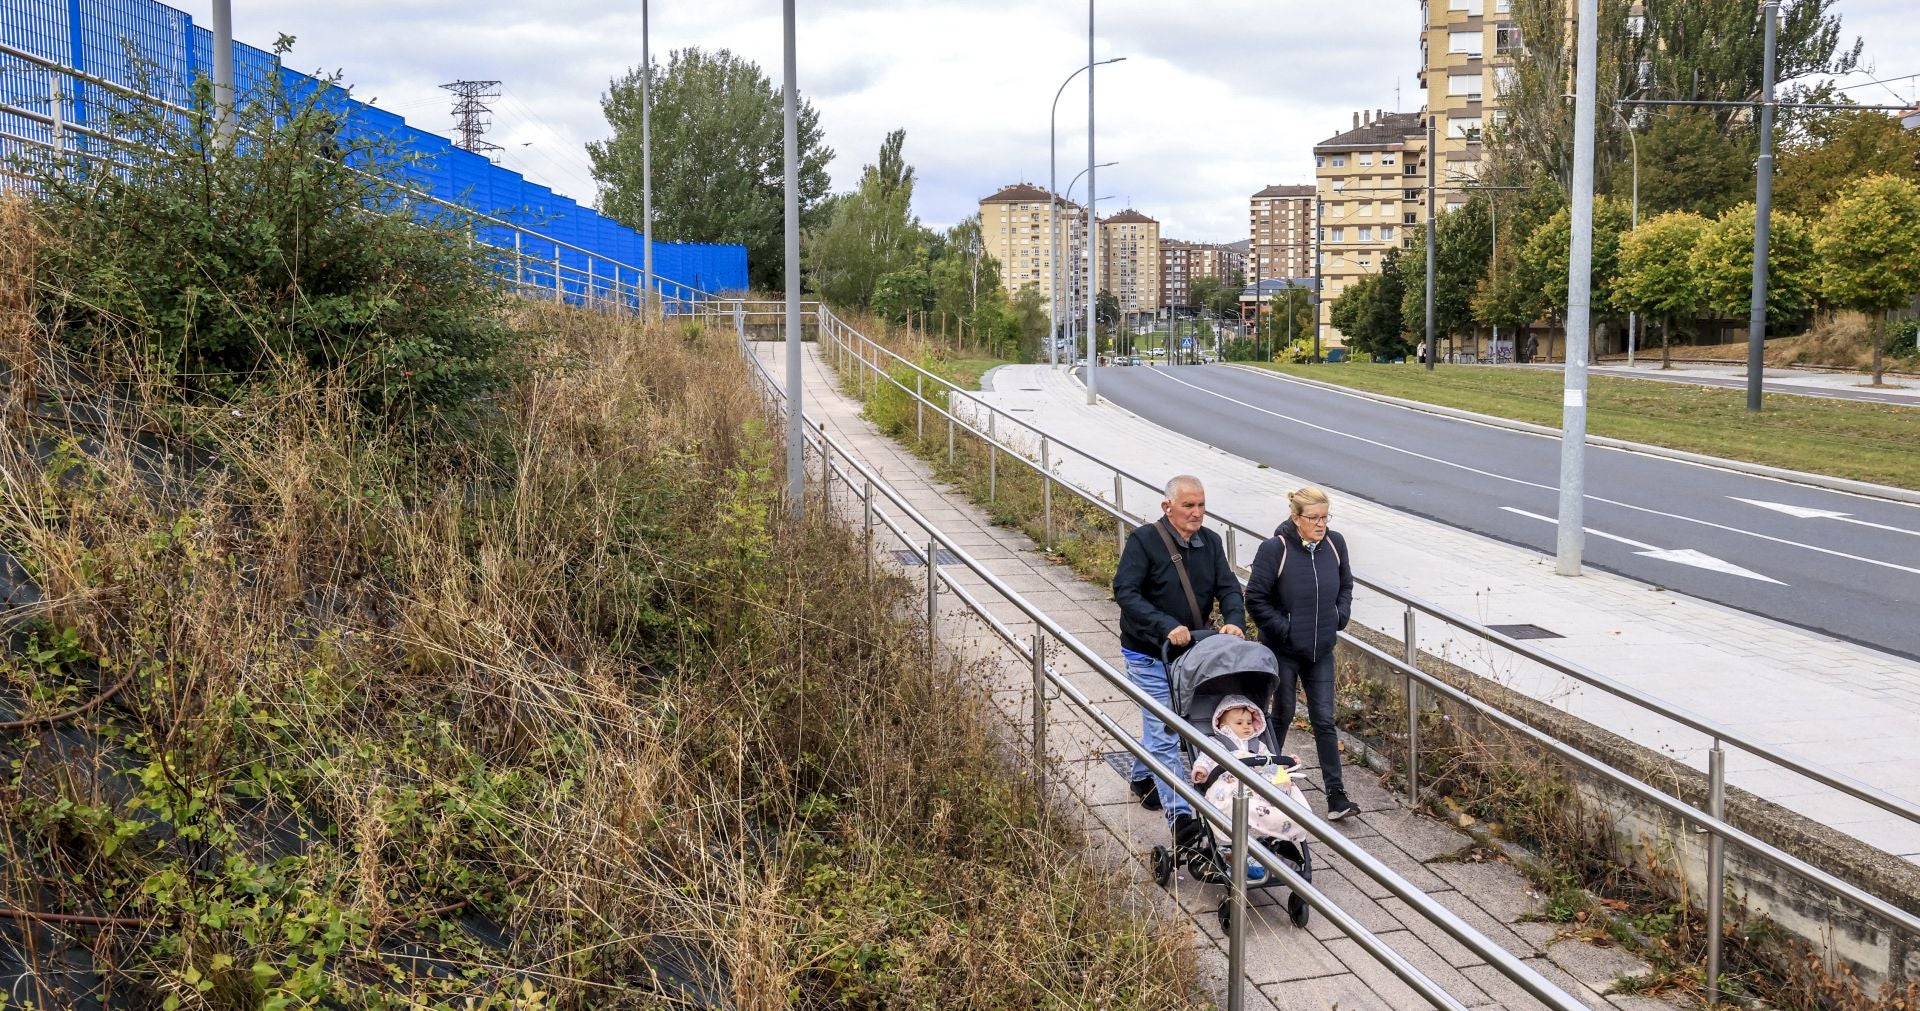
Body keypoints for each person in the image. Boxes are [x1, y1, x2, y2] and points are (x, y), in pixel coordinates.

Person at [1111, 475, 1246, 878]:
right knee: (1167, 730)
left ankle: (1141, 777)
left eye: (1202, 505)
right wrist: (1164, 624)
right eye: (1189, 506)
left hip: (1191, 654)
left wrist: (1235, 621)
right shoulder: (1144, 542)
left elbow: (1229, 587)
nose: (1197, 513)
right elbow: (1126, 592)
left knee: (1164, 728)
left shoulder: (1211, 543)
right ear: (1167, 506)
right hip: (1150, 653)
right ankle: (1182, 821)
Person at [1245, 486, 1359, 821]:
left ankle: (1336, 797)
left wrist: (1339, 616)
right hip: (1283, 650)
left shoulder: (1335, 545)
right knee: (1281, 714)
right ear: (1296, 518)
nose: (1321, 524)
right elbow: (1255, 598)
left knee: (1324, 719)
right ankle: (1270, 783)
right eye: (1314, 518)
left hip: (1321, 648)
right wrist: (1286, 629)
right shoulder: (1275, 549)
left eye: (1325, 517)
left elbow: (1346, 584)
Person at [1189, 695, 1311, 850]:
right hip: (1231, 785)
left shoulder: (1258, 745)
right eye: (1239, 723)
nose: (1246, 726)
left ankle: (1280, 814)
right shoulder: (1216, 743)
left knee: (1279, 776)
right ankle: (1232, 841)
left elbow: (1270, 762)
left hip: (1258, 786)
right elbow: (1205, 758)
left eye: (1249, 722)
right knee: (1237, 770)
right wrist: (1201, 770)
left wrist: (1284, 762)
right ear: (1221, 725)